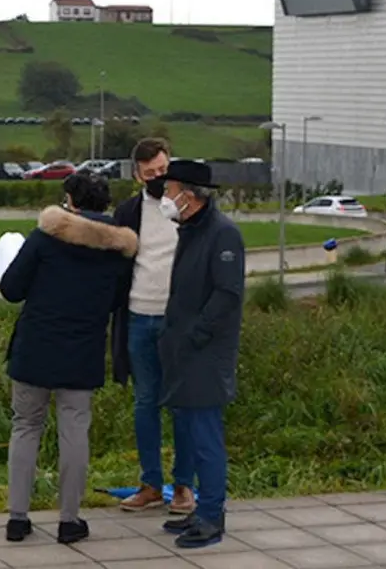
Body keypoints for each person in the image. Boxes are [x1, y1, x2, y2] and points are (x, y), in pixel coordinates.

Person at [0, 172, 138, 546]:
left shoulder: (46, 238)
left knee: (25, 427)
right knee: (74, 431)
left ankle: (17, 518)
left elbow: (11, 289)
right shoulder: (119, 250)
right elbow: (117, 300)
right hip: (83, 350)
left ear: (70, 201)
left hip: (35, 348)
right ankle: (69, 521)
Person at [154, 160, 245, 550]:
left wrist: (195, 335)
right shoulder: (190, 230)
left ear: (189, 195)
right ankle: (203, 508)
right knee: (189, 433)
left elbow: (227, 295)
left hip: (205, 353)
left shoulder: (223, 235)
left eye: (169, 189)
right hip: (183, 350)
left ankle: (212, 515)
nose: (165, 197)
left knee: (206, 437)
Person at [108, 138, 196, 515]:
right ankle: (149, 483)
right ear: (137, 175)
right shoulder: (127, 211)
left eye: (163, 170)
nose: (158, 178)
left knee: (182, 404)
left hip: (178, 319)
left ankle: (183, 487)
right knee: (146, 402)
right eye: (150, 174)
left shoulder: (189, 208)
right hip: (138, 316)